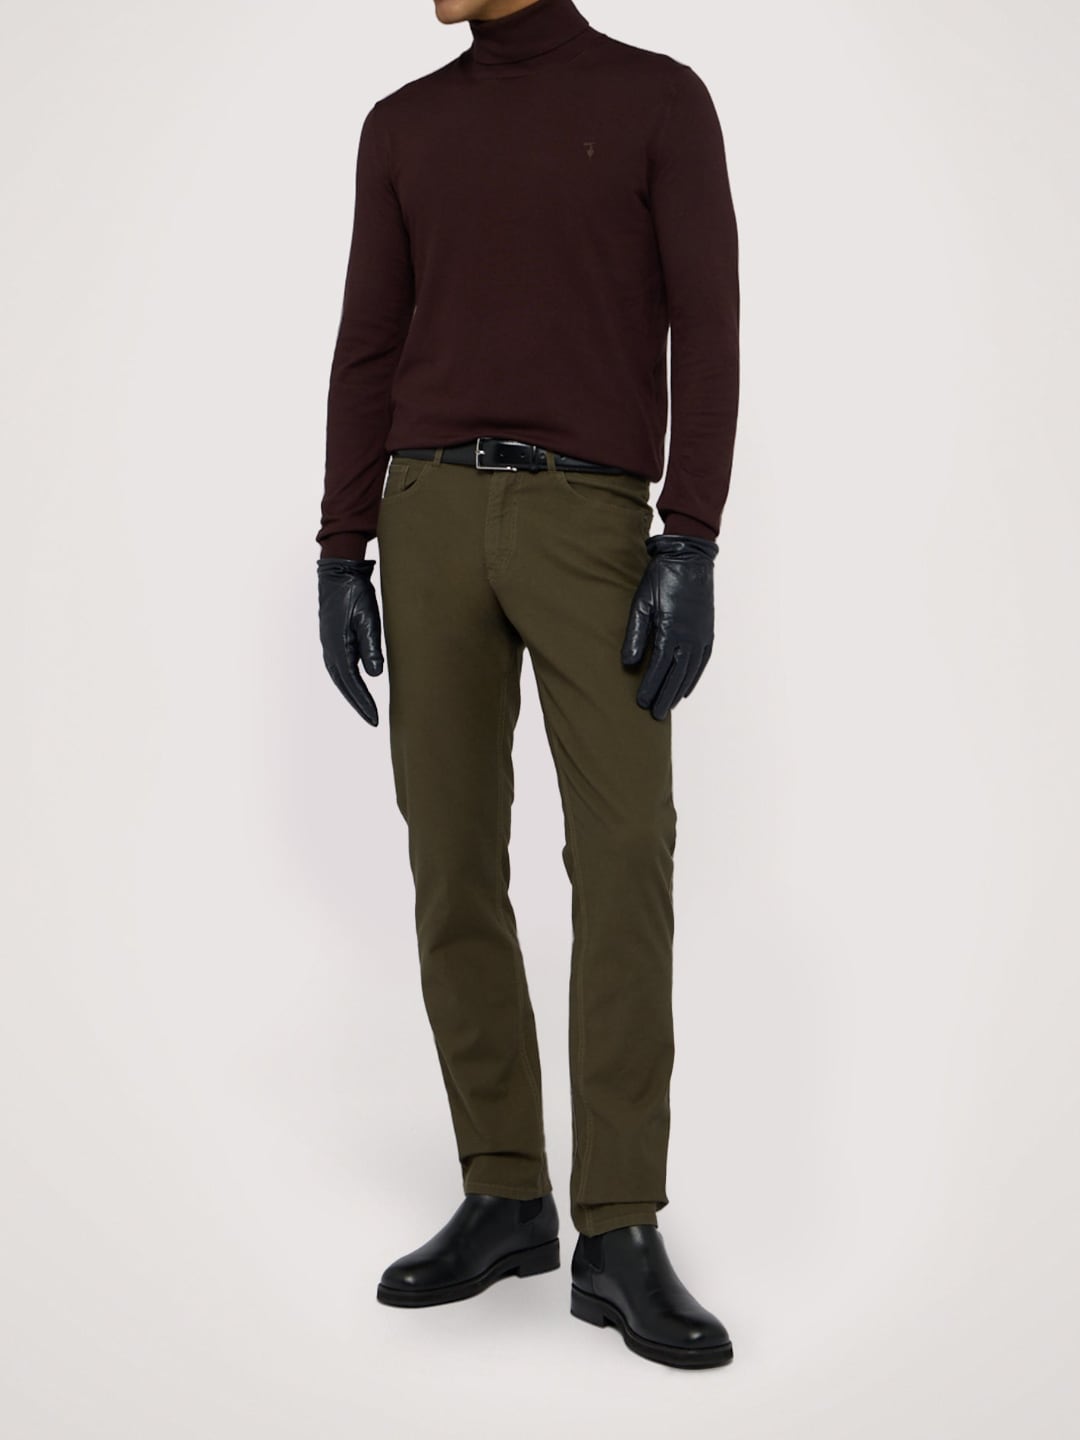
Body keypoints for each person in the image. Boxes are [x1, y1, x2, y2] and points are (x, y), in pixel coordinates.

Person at [315, 0, 739, 1370]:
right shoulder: (402, 125)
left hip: (591, 519)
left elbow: (709, 324)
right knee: (450, 856)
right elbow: (369, 339)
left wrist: (691, 539)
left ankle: (620, 1225)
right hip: (427, 509)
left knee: (623, 853)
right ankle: (504, 1190)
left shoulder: (659, 99)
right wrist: (340, 544)